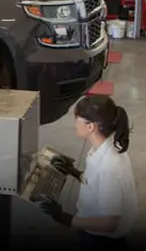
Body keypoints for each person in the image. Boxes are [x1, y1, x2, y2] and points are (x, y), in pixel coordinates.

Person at [36, 95, 139, 250]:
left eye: (77, 118)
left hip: (103, 241)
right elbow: (96, 182)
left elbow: (109, 223)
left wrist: (64, 218)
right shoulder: (104, 146)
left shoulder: (109, 166)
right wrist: (74, 172)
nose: (74, 122)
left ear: (91, 126)